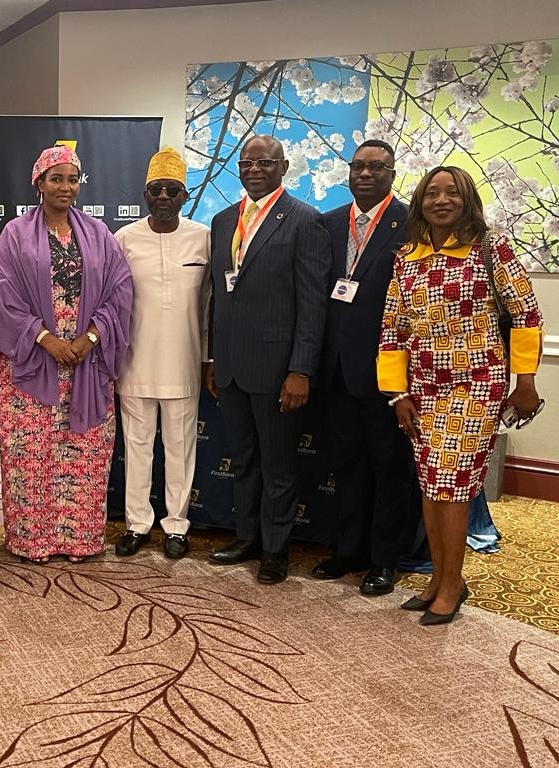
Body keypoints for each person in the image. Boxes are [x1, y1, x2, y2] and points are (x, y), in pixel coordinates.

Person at [378, 165, 544, 625]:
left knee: (450, 487)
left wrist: (525, 381)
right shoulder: (407, 257)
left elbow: (527, 315)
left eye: (453, 192)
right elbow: (392, 328)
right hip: (422, 391)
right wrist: (396, 393)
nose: (442, 199)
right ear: (420, 202)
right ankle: (439, 579)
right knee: (432, 487)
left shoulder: (492, 250)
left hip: (475, 388)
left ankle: (452, 584)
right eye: (432, 192)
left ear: (467, 200)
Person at [0, 145, 133, 563]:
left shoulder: (98, 233)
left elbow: (120, 290)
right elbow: (1, 295)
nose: (65, 187)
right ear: (39, 183)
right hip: (33, 361)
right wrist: (44, 338)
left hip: (86, 361)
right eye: (56, 179)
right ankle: (32, 539)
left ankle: (79, 539)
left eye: (72, 179)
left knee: (82, 453)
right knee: (31, 455)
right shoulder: (15, 234)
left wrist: (89, 338)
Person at [205, 134, 331, 584]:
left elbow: (313, 304)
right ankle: (246, 537)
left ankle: (275, 550)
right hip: (234, 367)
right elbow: (221, 295)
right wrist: (215, 358)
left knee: (278, 464)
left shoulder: (303, 221)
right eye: (247, 162)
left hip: (279, 370)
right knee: (242, 459)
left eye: (265, 162)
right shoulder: (223, 222)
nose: (255, 169)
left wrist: (300, 369)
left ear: (283, 166)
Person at [314, 140, 413, 595]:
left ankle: (383, 561)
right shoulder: (329, 223)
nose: (366, 174)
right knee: (346, 464)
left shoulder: (410, 223)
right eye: (359, 166)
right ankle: (347, 549)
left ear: (392, 173)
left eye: (377, 167)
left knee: (387, 467)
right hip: (335, 369)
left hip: (385, 371)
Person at [114, 147, 210, 560]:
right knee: (136, 447)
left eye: (173, 190)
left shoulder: (203, 237)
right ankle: (137, 523)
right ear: (145, 195)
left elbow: (212, 305)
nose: (165, 197)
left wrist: (209, 359)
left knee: (180, 447)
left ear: (185, 196)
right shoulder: (123, 239)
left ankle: (176, 525)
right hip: (134, 363)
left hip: (186, 362)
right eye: (157, 190)